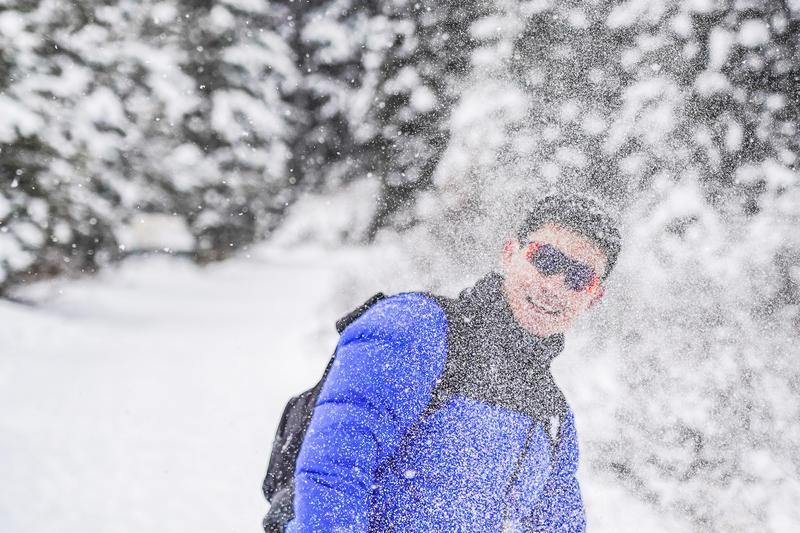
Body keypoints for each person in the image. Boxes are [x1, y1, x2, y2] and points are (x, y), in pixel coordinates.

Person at [286, 194, 622, 532]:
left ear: (594, 298)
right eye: (546, 260)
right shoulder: (417, 328)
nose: (554, 286)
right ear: (510, 254)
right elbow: (334, 469)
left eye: (580, 278)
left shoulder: (553, 417)